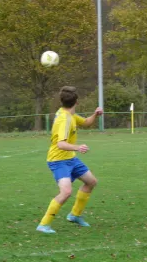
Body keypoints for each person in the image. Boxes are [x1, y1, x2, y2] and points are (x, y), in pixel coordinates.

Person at [37, 86, 103, 234]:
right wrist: (78, 147)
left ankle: (74, 215)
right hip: (58, 160)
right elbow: (61, 144)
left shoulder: (68, 114)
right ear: (77, 101)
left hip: (70, 159)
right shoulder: (64, 119)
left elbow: (86, 122)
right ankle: (43, 224)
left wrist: (95, 115)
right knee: (66, 192)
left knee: (91, 182)